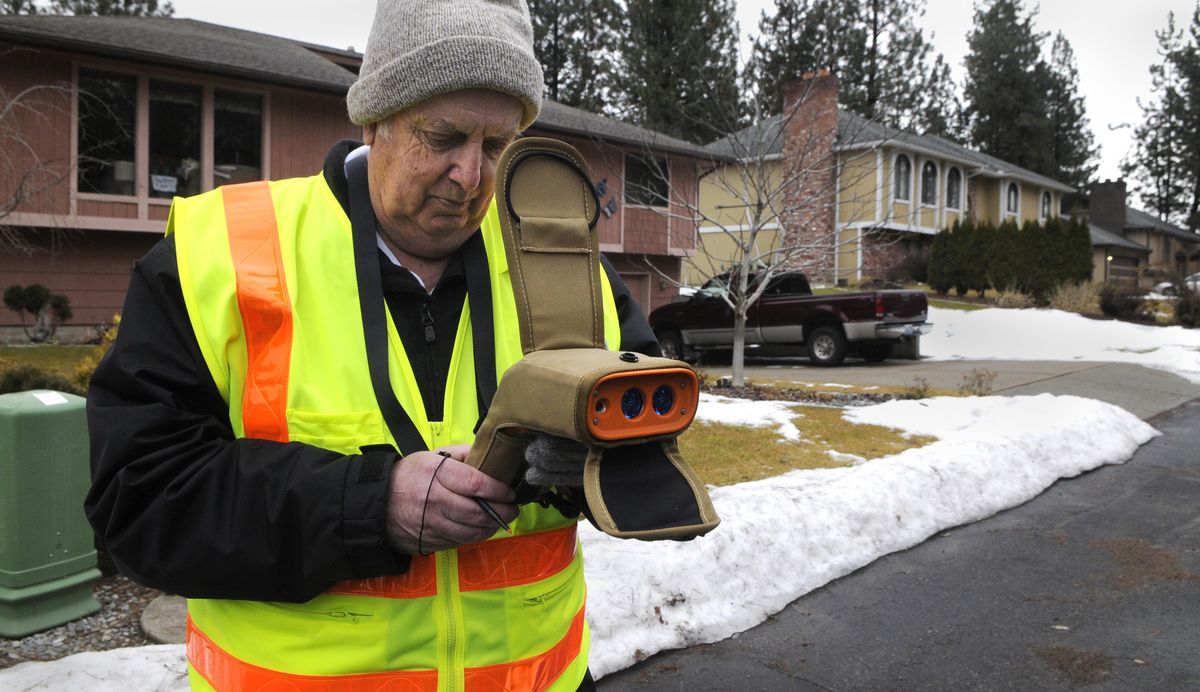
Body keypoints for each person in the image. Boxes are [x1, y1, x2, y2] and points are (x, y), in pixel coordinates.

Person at [85, 1, 659, 690]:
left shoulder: (568, 270)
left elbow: (649, 458)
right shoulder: (219, 258)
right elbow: (138, 501)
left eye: (499, 146)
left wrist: (589, 465)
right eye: (442, 136)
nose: (471, 177)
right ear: (374, 118)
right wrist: (371, 505)